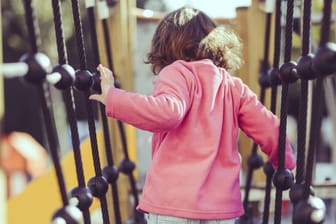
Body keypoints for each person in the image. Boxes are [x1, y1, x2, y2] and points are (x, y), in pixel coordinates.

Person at [90, 7, 296, 224]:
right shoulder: (233, 86)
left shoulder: (176, 73)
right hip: (221, 210)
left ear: (165, 45)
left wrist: (114, 98)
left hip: (173, 205)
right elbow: (270, 129)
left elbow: (167, 112)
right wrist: (285, 163)